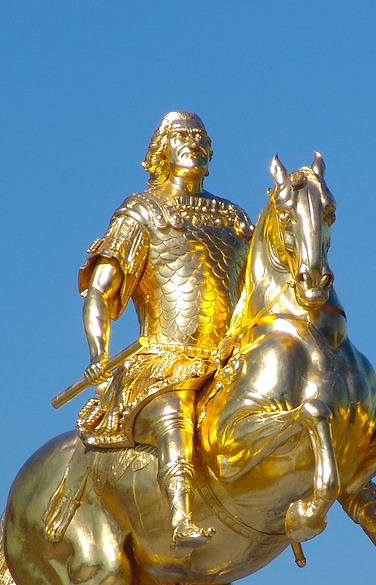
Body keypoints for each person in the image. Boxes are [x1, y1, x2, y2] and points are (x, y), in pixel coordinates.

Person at [76, 111, 252, 551]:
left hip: (228, 359)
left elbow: (261, 289)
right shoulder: (143, 212)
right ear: (160, 153)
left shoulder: (233, 219)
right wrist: (99, 353)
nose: (192, 143)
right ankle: (180, 515)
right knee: (176, 412)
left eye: (200, 137)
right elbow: (99, 291)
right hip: (165, 359)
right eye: (180, 137)